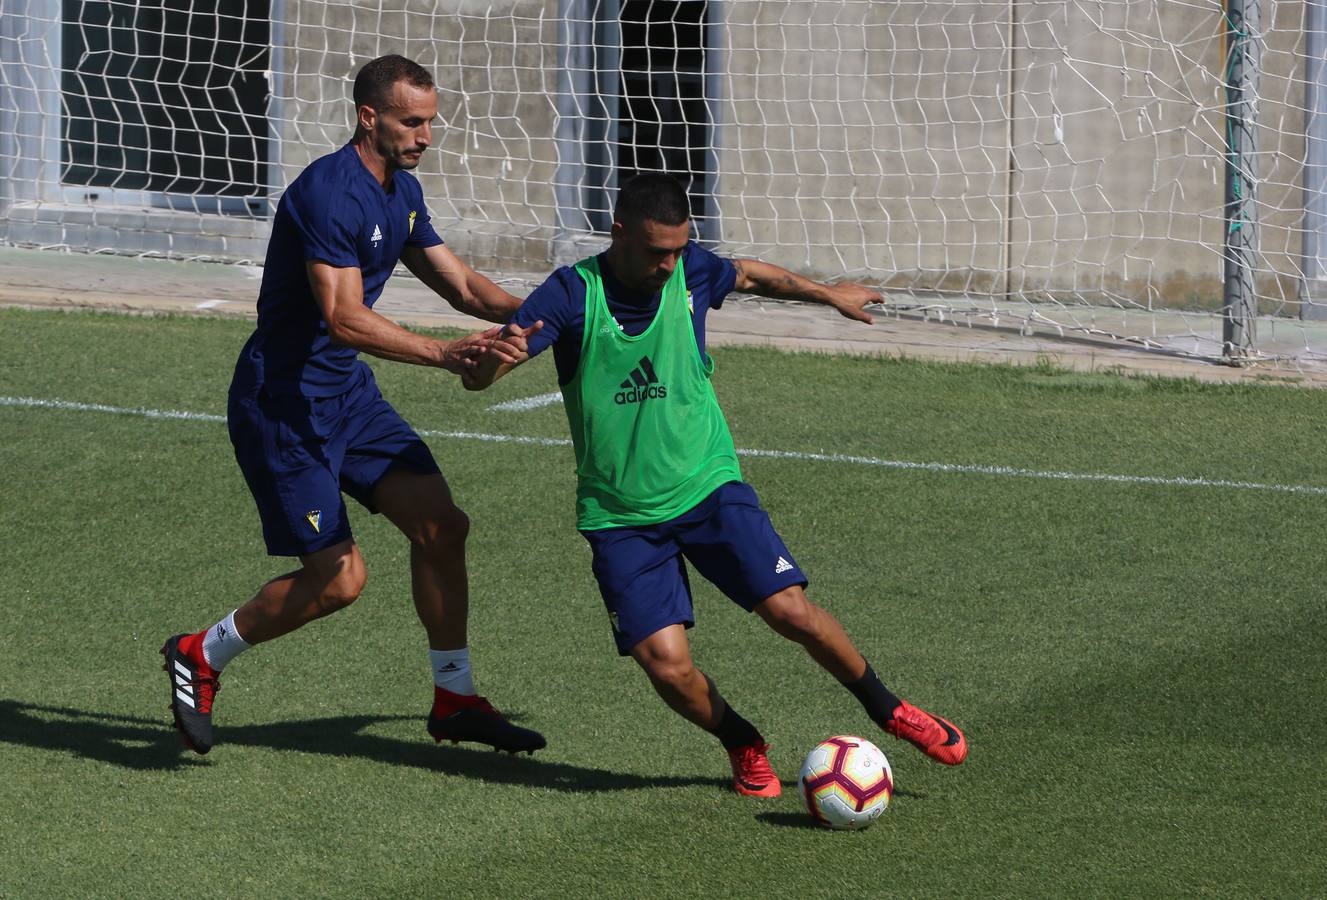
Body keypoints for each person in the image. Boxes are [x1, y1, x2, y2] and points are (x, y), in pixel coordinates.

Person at [462, 172, 966, 796]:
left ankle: (888, 708)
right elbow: (480, 379)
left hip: (708, 486)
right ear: (619, 233)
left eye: (680, 249)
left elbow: (751, 275)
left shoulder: (691, 271)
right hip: (620, 516)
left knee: (791, 611)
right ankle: (742, 741)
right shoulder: (569, 294)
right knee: (666, 667)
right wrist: (489, 364)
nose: (671, 265)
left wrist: (827, 293)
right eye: (657, 252)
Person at [161, 55, 545, 756]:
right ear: (369, 117)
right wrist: (444, 354)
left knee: (441, 527)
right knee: (339, 581)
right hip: (285, 406)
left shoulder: (400, 190)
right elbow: (343, 317)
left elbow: (462, 287)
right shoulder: (328, 194)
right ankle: (200, 652)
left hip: (347, 395)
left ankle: (454, 697)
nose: (426, 135)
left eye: (430, 121)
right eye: (411, 121)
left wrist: (562, 308)